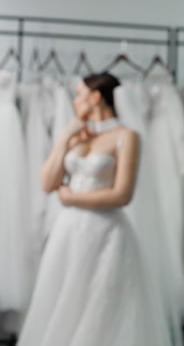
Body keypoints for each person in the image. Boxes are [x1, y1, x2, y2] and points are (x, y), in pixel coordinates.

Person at [17, 73, 173, 346]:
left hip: (107, 234)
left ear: (95, 96)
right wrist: (66, 135)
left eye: (79, 94)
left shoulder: (126, 136)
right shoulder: (78, 136)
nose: (75, 100)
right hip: (67, 233)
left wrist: (70, 199)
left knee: (102, 305)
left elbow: (122, 195)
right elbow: (47, 182)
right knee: (64, 301)